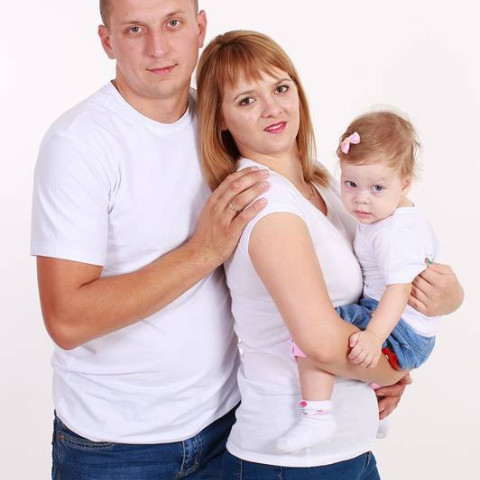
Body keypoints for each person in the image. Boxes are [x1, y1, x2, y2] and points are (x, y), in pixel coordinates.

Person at [196, 30, 462, 478]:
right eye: (246, 100)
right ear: (220, 118)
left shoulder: (327, 186)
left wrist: (447, 297)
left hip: (347, 451)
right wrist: (393, 369)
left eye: (281, 88)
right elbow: (320, 342)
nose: (272, 108)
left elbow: (394, 266)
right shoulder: (267, 205)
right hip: (293, 462)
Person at [31, 1, 271, 478]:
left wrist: (373, 359)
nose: (158, 47)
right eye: (135, 29)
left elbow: (302, 223)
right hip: (116, 448)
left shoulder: (223, 119)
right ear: (107, 41)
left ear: (200, 28)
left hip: (233, 422)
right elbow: (67, 319)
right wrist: (203, 252)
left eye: (173, 23)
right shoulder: (78, 144)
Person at [279, 110, 441, 453]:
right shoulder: (388, 215)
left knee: (314, 329)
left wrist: (374, 337)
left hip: (400, 330)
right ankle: (378, 413)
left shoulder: (395, 234)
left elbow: (400, 290)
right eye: (351, 184)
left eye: (377, 188)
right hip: (404, 325)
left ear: (405, 184)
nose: (361, 198)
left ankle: (317, 414)